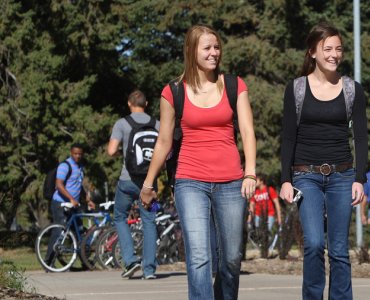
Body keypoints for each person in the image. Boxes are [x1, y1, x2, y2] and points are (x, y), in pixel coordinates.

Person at [139, 24, 257, 300]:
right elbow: (164, 142)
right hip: (190, 180)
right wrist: (148, 183)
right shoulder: (173, 92)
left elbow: (248, 131)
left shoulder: (234, 86)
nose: (214, 53)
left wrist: (250, 173)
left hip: (231, 181)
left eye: (217, 47)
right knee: (200, 256)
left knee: (230, 259)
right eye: (207, 48)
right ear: (192, 51)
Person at [278, 22, 368, 300]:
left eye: (338, 49)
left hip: (342, 175)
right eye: (327, 48)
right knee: (315, 244)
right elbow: (288, 138)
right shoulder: (297, 89)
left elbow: (361, 138)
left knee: (339, 249)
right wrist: (285, 179)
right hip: (306, 175)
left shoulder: (353, 90)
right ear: (313, 52)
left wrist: (359, 179)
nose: (334, 54)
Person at [107, 90, 159, 279]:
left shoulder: (122, 123)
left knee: (120, 216)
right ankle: (150, 270)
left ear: (129, 104)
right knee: (150, 221)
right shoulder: (157, 124)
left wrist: (125, 146)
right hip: (150, 184)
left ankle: (130, 260)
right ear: (146, 105)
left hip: (127, 182)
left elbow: (111, 151)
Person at [46, 143, 95, 266]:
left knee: (79, 232)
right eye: (75, 154)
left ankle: (84, 261)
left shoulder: (79, 167)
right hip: (60, 203)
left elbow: (78, 185)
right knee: (59, 231)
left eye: (80, 154)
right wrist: (71, 198)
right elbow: (59, 185)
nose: (77, 156)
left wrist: (87, 200)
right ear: (71, 153)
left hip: (73, 205)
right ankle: (48, 261)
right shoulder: (65, 166)